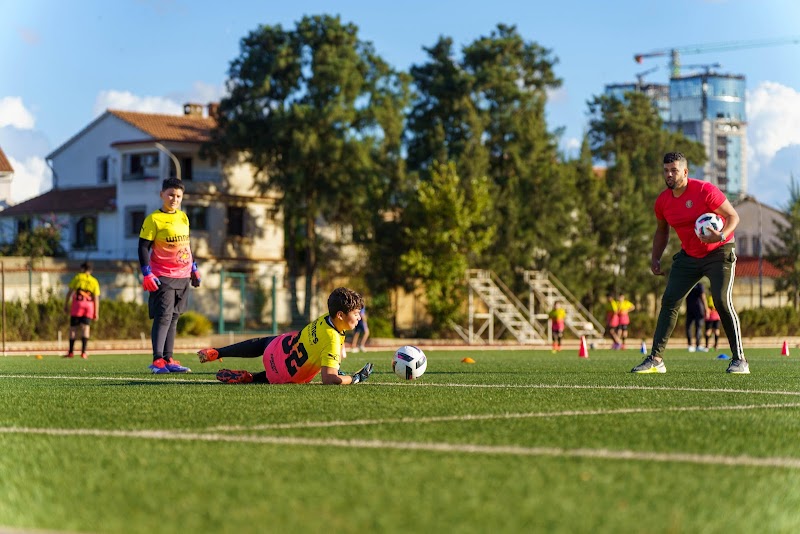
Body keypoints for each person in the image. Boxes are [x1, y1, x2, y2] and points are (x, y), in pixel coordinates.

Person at [632, 152, 748, 374]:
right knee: (669, 301)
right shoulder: (663, 201)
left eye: (674, 170)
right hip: (689, 256)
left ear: (685, 172)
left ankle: (739, 359)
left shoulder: (705, 190)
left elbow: (733, 217)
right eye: (666, 170)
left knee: (722, 302)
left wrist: (721, 236)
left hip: (719, 251)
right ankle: (656, 359)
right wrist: (655, 257)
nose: (669, 174)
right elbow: (662, 231)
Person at [196, 287, 374, 385]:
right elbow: (329, 379)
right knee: (280, 374)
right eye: (356, 313)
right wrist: (355, 378)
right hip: (285, 375)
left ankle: (217, 352)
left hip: (276, 349)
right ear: (341, 315)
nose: (359, 317)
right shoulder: (333, 339)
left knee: (266, 341)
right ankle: (252, 377)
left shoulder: (325, 319)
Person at [138, 177, 200, 374]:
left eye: (178, 196)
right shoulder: (153, 219)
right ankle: (157, 360)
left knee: (174, 317)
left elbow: (187, 246)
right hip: (162, 276)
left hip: (182, 276)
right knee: (163, 316)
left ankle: (168, 358)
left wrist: (194, 268)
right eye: (171, 194)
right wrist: (146, 273)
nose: (174, 199)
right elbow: (142, 247)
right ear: (162, 195)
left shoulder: (183, 217)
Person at [63, 262, 101, 359]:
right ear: (90, 270)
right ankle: (84, 352)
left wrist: (66, 304)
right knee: (86, 328)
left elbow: (69, 292)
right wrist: (96, 312)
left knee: (73, 328)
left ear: (82, 269)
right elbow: (96, 298)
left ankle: (71, 352)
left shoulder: (78, 277)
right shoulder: (94, 281)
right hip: (89, 306)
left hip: (77, 305)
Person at [685, 283, 707, 352]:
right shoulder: (688, 284)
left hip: (698, 309)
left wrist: (706, 308)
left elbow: (703, 296)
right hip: (691, 309)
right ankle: (691, 345)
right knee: (690, 327)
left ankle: (697, 345)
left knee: (698, 327)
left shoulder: (700, 285)